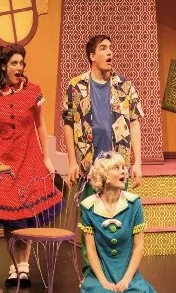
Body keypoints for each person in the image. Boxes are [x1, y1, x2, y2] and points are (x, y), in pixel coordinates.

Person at [0, 44, 62, 287]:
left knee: (26, 213)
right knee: (8, 216)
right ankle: (13, 265)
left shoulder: (33, 91)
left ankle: (24, 267)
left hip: (29, 158)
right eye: (14, 63)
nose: (19, 67)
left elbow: (41, 125)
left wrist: (46, 157)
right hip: (3, 161)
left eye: (21, 62)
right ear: (3, 66)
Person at [66, 151, 176, 293]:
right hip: (102, 272)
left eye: (124, 168)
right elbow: (90, 249)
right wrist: (103, 281)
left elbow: (138, 247)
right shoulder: (89, 207)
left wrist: (127, 279)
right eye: (117, 168)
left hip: (127, 273)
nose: (124, 171)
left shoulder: (133, 204)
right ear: (105, 176)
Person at [62, 34, 145, 199]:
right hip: (88, 167)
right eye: (103, 48)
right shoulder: (76, 86)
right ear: (92, 56)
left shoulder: (125, 86)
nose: (109, 52)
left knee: (118, 213)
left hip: (117, 166)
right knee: (90, 213)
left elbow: (134, 122)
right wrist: (72, 162)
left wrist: (138, 163)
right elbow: (68, 123)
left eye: (110, 48)